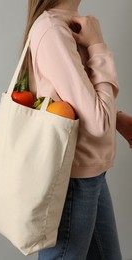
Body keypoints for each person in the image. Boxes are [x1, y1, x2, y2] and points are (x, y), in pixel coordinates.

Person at [21, 0, 132, 259]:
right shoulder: (53, 31)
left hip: (89, 173)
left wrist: (117, 118)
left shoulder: (62, 23)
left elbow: (73, 99)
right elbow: (97, 123)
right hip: (72, 181)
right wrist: (96, 46)